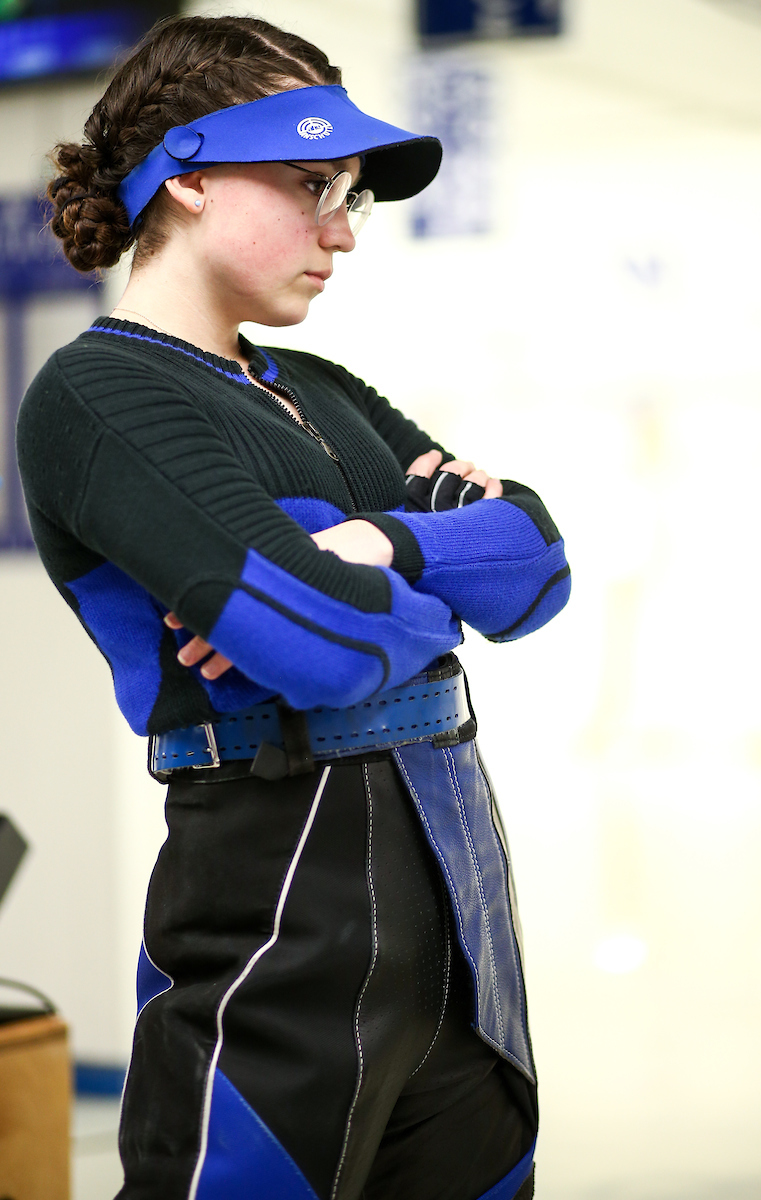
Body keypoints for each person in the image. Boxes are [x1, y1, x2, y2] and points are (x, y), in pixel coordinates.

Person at [16, 14, 571, 1200]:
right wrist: (421, 576)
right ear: (190, 174)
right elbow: (320, 647)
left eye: (353, 195)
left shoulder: (318, 388)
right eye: (312, 183)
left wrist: (367, 544)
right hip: (278, 898)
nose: (343, 232)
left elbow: (534, 564)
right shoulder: (101, 393)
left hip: (459, 903)